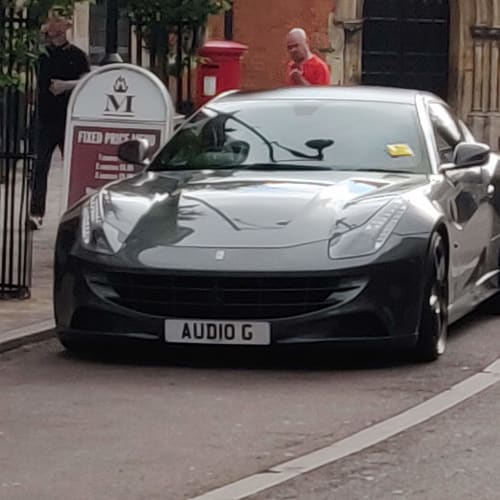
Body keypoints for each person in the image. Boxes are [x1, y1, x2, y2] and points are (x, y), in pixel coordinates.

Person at [29, 16, 90, 230]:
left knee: (73, 168)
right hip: (45, 117)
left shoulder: (77, 56)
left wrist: (67, 85)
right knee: (39, 166)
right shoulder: (42, 55)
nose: (56, 32)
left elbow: (88, 81)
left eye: (60, 28)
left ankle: (74, 212)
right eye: (53, 28)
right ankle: (36, 212)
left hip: (68, 118)